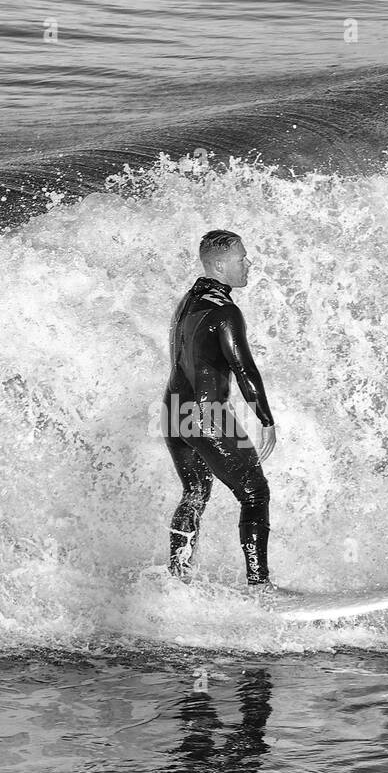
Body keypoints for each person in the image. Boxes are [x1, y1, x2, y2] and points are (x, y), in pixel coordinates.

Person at [162, 229, 278, 590]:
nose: (249, 263)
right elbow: (244, 369)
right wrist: (266, 419)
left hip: (173, 412)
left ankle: (178, 577)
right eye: (241, 258)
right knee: (255, 493)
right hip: (205, 416)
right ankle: (259, 586)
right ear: (219, 266)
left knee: (195, 491)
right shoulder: (225, 312)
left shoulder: (187, 302)